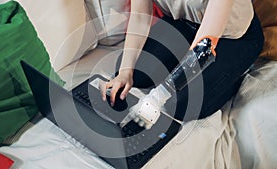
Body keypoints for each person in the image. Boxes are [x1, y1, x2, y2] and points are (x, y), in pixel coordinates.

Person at [100, 0, 264, 129]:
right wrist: (125, 72)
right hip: (186, 23)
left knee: (183, 104)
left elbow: (204, 46)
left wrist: (156, 98)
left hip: (233, 37)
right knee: (136, 73)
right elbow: (139, 17)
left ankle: (234, 73)